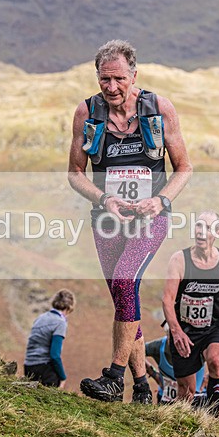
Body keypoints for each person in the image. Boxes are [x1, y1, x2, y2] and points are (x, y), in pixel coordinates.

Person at [68, 40, 192, 403]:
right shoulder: (87, 113)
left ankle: (114, 377)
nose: (111, 88)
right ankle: (141, 387)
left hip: (149, 220)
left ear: (134, 75)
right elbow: (75, 174)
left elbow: (184, 167)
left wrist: (161, 199)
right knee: (125, 298)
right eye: (104, 79)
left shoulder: (159, 108)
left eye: (119, 79)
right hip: (106, 221)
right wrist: (104, 198)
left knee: (124, 282)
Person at [162, 211, 219, 417]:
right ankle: (180, 427)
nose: (201, 232)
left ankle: (212, 417)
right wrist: (176, 332)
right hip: (185, 330)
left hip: (215, 327)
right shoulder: (179, 259)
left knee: (217, 361)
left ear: (217, 232)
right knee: (186, 392)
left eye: (208, 228)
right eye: (198, 226)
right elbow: (167, 299)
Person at [24, 289, 76, 388]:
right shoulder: (60, 322)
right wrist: (62, 377)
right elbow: (55, 355)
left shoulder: (40, 318)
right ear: (69, 307)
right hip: (45, 369)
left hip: (28, 366)